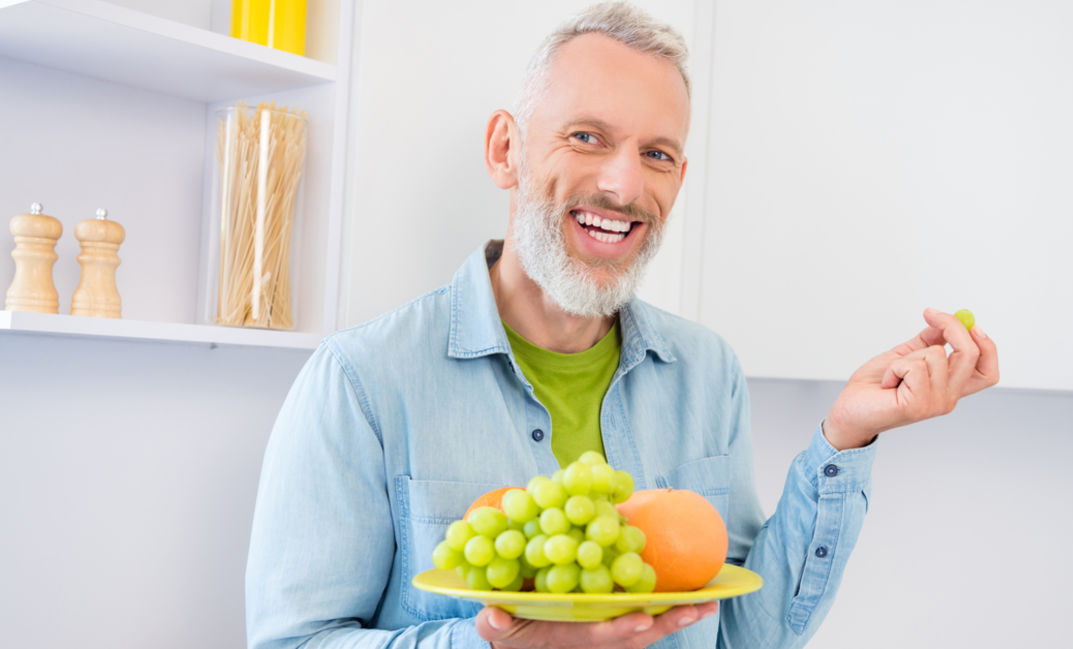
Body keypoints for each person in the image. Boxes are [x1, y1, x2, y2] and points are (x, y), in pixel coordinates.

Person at [244, 3, 1000, 649]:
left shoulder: (708, 373)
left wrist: (845, 436)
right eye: (587, 137)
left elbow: (741, 634)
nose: (623, 184)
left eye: (658, 153)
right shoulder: (363, 380)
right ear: (506, 149)